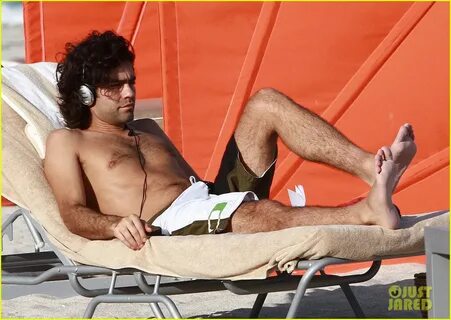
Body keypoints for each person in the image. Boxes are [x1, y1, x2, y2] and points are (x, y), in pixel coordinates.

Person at [44, 31, 417, 251]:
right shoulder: (69, 142)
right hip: (168, 224)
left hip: (206, 200)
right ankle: (365, 213)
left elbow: (200, 188)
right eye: (115, 85)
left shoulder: (147, 129)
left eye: (132, 81)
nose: (129, 92)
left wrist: (222, 200)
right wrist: (112, 226)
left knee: (266, 103)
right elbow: (71, 212)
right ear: (87, 95)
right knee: (258, 214)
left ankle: (370, 167)